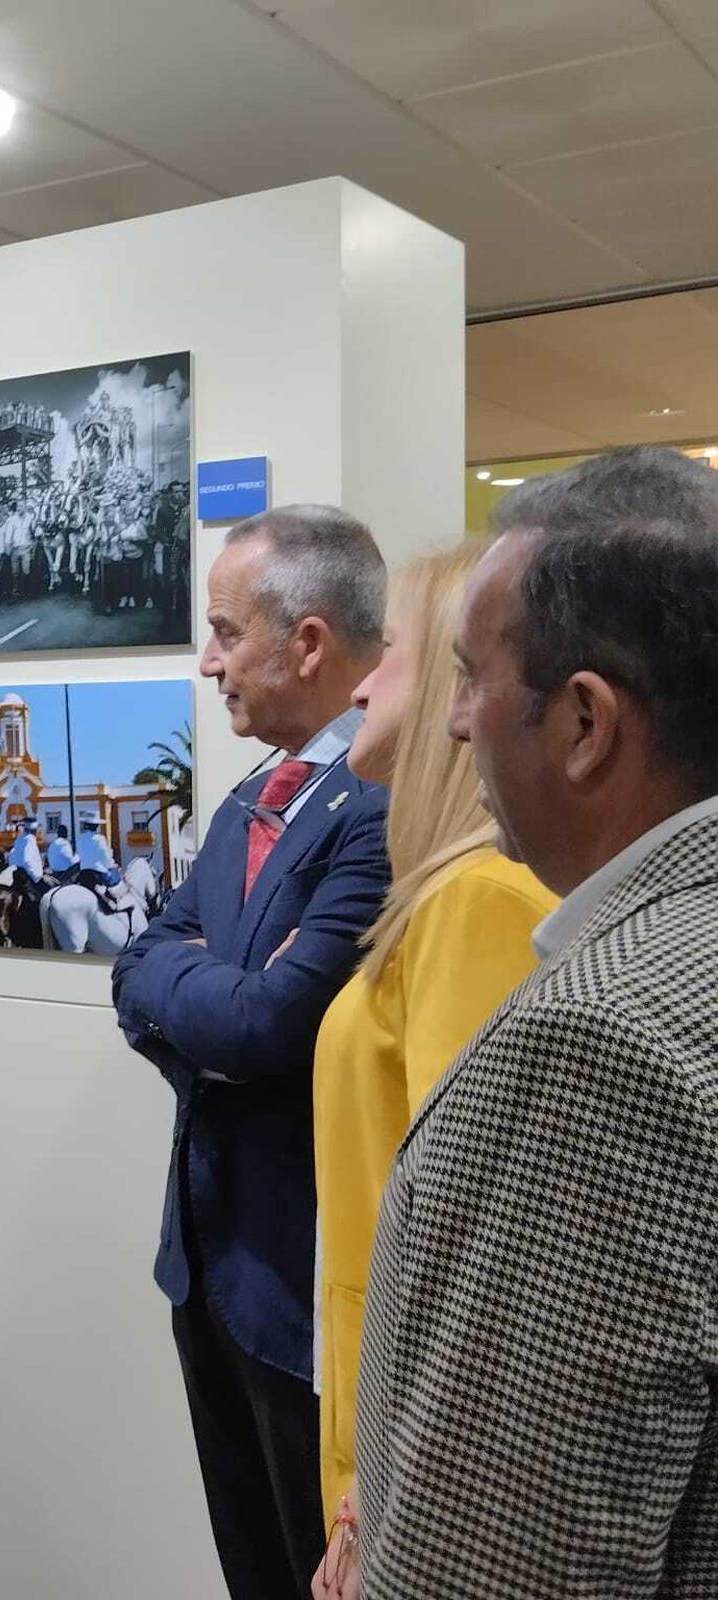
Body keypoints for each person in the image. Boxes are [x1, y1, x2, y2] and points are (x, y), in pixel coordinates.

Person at [351, 447, 718, 1598]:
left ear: (583, 723)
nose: (455, 724)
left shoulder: (601, 1045)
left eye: (469, 675)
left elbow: (501, 1562)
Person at [111, 506, 391, 1600]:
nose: (208, 660)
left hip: (297, 1289)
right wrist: (209, 1005)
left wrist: (200, 997)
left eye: (226, 633)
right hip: (207, 1269)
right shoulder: (247, 798)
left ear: (307, 642)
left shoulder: (374, 810)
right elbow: (138, 970)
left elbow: (278, 1024)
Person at [304, 546, 556, 1574]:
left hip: (403, 1458)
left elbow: (467, 1252)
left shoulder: (475, 902)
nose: (360, 682)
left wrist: (378, 1502)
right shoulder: (444, 895)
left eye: (390, 653)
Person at [7, 816, 43, 886]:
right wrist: (37, 877)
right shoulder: (30, 840)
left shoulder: (18, 840)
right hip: (29, 878)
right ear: (34, 830)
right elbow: (27, 861)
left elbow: (11, 858)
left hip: (17, 875)